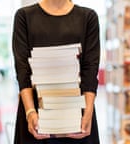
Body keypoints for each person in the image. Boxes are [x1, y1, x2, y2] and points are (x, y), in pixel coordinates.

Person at [12, 0, 101, 143]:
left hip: (77, 113)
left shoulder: (88, 17)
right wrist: (30, 112)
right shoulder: (24, 16)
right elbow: (22, 71)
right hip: (36, 114)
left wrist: (88, 113)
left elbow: (90, 70)